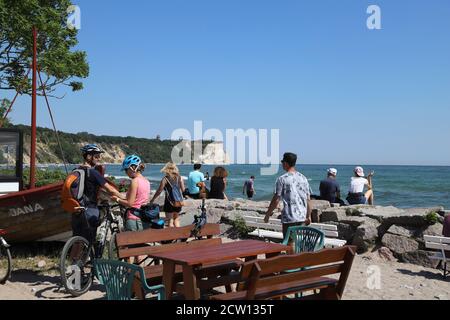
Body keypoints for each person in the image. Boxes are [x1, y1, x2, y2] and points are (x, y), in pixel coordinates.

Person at [72, 144, 122, 249]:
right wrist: (123, 198)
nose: (99, 159)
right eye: (96, 156)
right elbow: (110, 189)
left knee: (78, 241)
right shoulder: (93, 172)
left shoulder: (76, 171)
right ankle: (89, 262)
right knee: (89, 241)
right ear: (89, 157)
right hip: (90, 210)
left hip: (76, 209)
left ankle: (73, 264)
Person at [264, 152, 312, 241]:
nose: (282, 164)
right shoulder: (303, 178)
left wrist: (267, 214)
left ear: (285, 163)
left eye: (282, 162)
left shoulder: (282, 179)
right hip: (301, 217)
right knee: (299, 243)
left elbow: (276, 199)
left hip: (289, 218)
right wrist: (308, 216)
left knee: (290, 243)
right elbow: (308, 199)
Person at [111, 155, 150, 232]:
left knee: (130, 243)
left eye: (126, 169)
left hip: (133, 219)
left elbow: (130, 203)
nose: (126, 172)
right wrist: (117, 194)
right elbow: (135, 198)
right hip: (143, 218)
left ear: (132, 168)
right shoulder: (146, 181)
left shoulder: (134, 181)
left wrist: (117, 199)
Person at [149, 162, 185, 228]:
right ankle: (179, 236)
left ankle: (172, 237)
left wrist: (153, 199)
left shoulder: (165, 179)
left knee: (170, 221)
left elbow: (159, 191)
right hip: (178, 201)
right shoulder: (180, 178)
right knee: (176, 220)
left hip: (169, 202)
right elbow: (183, 190)